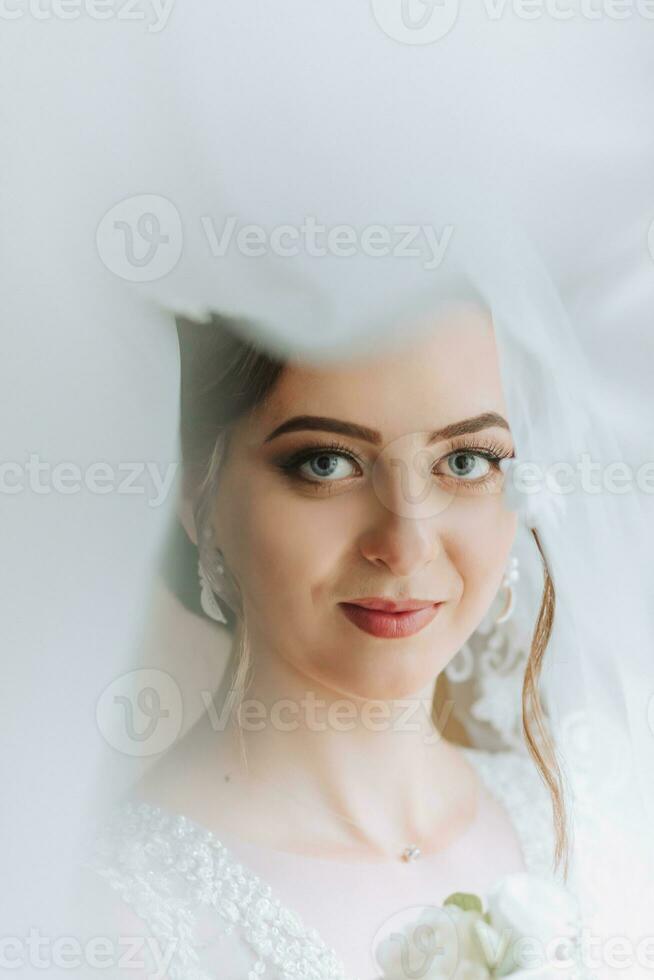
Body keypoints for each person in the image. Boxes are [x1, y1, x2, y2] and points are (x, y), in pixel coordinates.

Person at [76, 303, 580, 980]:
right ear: (198, 493)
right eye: (325, 464)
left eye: (464, 460)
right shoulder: (117, 919)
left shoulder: (576, 831)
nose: (404, 545)